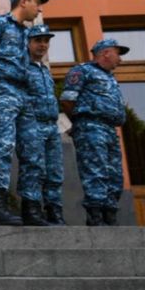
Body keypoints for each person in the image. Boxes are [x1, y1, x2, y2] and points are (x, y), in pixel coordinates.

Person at [0, 0, 50, 225]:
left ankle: (31, 208)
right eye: (37, 3)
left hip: (25, 95)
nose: (38, 10)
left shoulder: (28, 34)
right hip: (2, 90)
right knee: (3, 147)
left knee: (33, 152)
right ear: (24, 1)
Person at [60, 39, 128, 226]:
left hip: (109, 130)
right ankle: (96, 214)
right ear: (106, 53)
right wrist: (81, 123)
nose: (120, 59)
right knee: (95, 172)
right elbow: (68, 100)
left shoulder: (110, 77)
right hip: (91, 127)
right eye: (117, 53)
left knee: (115, 174)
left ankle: (110, 212)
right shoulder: (82, 71)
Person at [19, 24, 65, 225]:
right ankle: (32, 210)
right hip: (31, 124)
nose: (43, 45)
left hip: (51, 126)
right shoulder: (21, 67)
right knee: (33, 168)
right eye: (38, 40)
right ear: (27, 43)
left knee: (54, 171)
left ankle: (54, 210)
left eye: (46, 41)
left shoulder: (44, 70)